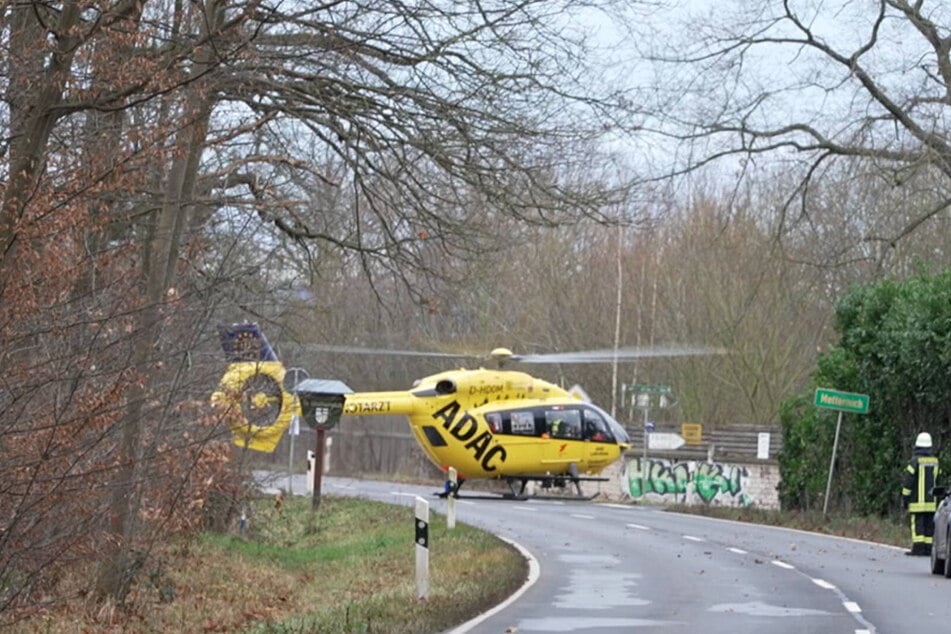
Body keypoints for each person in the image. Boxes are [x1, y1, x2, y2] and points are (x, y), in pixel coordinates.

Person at [901, 432, 940, 556]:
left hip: (917, 501)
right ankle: (928, 549)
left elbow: (909, 480)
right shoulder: (935, 461)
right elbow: (938, 478)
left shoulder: (914, 461)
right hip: (931, 501)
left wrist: (905, 497)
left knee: (917, 524)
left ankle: (917, 549)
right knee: (929, 525)